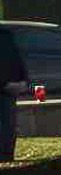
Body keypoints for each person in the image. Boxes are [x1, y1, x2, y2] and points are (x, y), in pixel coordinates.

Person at [0, 25, 25, 162]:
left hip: (8, 89)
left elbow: (16, 59)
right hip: (6, 86)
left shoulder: (5, 35)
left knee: (8, 125)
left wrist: (23, 80)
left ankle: (6, 155)